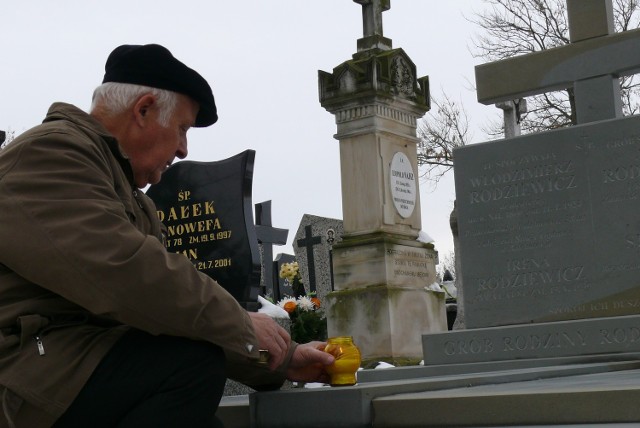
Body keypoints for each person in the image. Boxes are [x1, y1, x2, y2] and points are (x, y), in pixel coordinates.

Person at [0, 44, 334, 428]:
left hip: (59, 374)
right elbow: (126, 275)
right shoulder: (52, 153)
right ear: (142, 110)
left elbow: (171, 316)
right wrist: (241, 325)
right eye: (181, 129)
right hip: (19, 378)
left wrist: (282, 359)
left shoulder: (128, 195)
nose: (183, 148)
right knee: (188, 367)